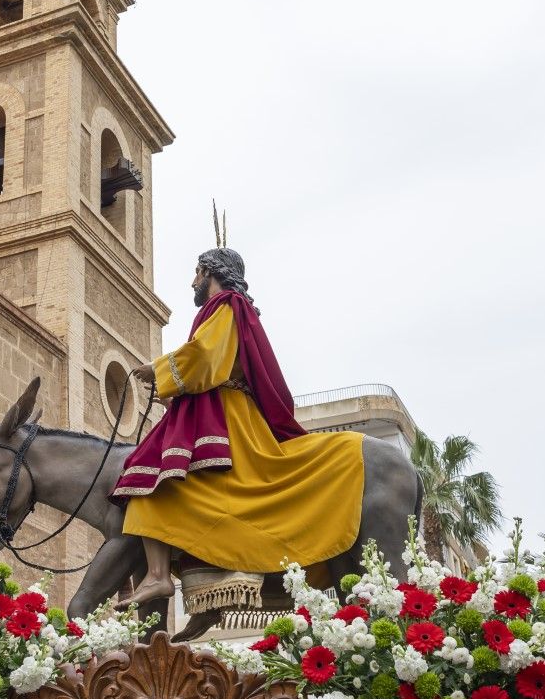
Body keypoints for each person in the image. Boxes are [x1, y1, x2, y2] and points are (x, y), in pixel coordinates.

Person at [111, 247, 365, 607]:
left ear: (212, 272)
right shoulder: (236, 310)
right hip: (218, 410)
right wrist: (174, 397)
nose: (193, 281)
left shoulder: (225, 304)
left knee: (146, 476)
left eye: (197, 272)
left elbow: (205, 356)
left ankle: (156, 575)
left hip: (228, 417)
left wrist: (160, 370)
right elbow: (221, 367)